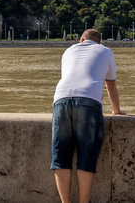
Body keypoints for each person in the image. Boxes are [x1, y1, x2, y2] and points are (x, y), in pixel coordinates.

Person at [51, 29, 125, 203]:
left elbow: (70, 77)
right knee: (86, 156)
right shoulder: (105, 51)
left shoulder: (69, 50)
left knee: (61, 156)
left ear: (81, 40)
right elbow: (111, 86)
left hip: (61, 99)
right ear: (100, 42)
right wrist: (117, 111)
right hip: (88, 101)